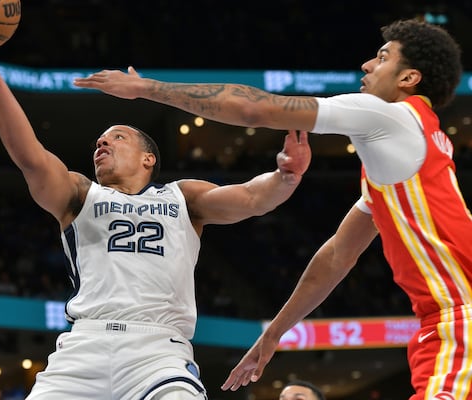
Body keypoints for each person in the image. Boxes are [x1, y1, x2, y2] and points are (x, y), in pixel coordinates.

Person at [74, 18, 472, 400]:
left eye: (383, 57)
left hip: (459, 318)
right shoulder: (405, 155)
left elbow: (254, 108)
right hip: (442, 323)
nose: (367, 64)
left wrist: (146, 87)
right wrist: (274, 334)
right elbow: (336, 255)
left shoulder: (390, 116)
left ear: (409, 78)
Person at [0, 8, 311, 400]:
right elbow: (30, 156)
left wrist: (285, 175)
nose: (102, 143)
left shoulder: (183, 196)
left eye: (117, 137)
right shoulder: (80, 194)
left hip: (158, 352)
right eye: (99, 141)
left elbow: (253, 198)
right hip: (84, 348)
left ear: (149, 158)